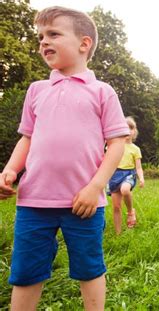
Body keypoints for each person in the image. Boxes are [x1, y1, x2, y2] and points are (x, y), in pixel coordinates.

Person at [0, 6, 129, 310]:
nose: (43, 42)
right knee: (26, 272)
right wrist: (9, 170)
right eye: (40, 36)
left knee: (89, 267)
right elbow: (27, 138)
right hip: (34, 201)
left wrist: (94, 187)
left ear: (84, 44)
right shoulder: (36, 90)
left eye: (54, 34)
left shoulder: (102, 91)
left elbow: (117, 144)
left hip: (83, 202)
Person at [109, 116, 145, 234]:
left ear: (134, 131)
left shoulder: (135, 149)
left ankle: (130, 212)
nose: (128, 131)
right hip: (115, 175)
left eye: (131, 128)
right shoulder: (114, 146)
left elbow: (138, 167)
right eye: (125, 128)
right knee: (116, 207)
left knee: (125, 190)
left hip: (129, 174)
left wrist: (141, 178)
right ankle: (118, 233)